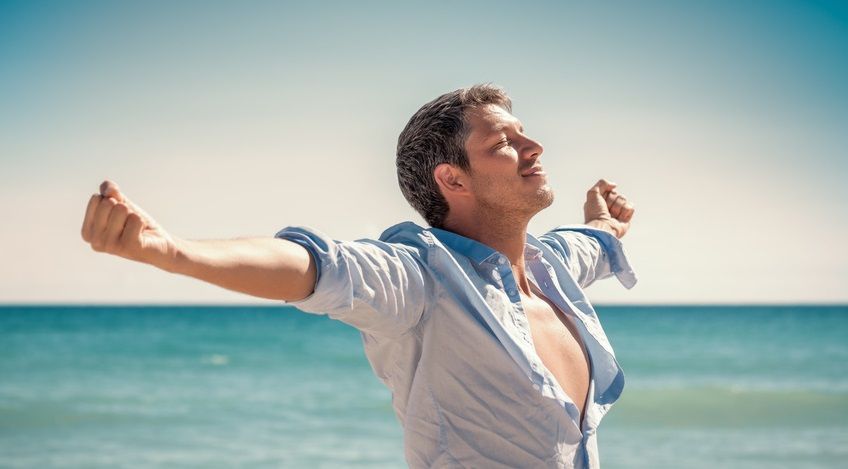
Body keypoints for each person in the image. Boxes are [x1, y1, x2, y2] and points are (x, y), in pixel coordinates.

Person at [81, 84, 637, 468]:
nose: (534, 147)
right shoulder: (423, 279)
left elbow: (592, 244)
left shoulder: (552, 266)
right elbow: (315, 266)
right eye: (503, 144)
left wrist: (605, 225)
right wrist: (174, 252)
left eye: (522, 133)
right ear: (454, 180)